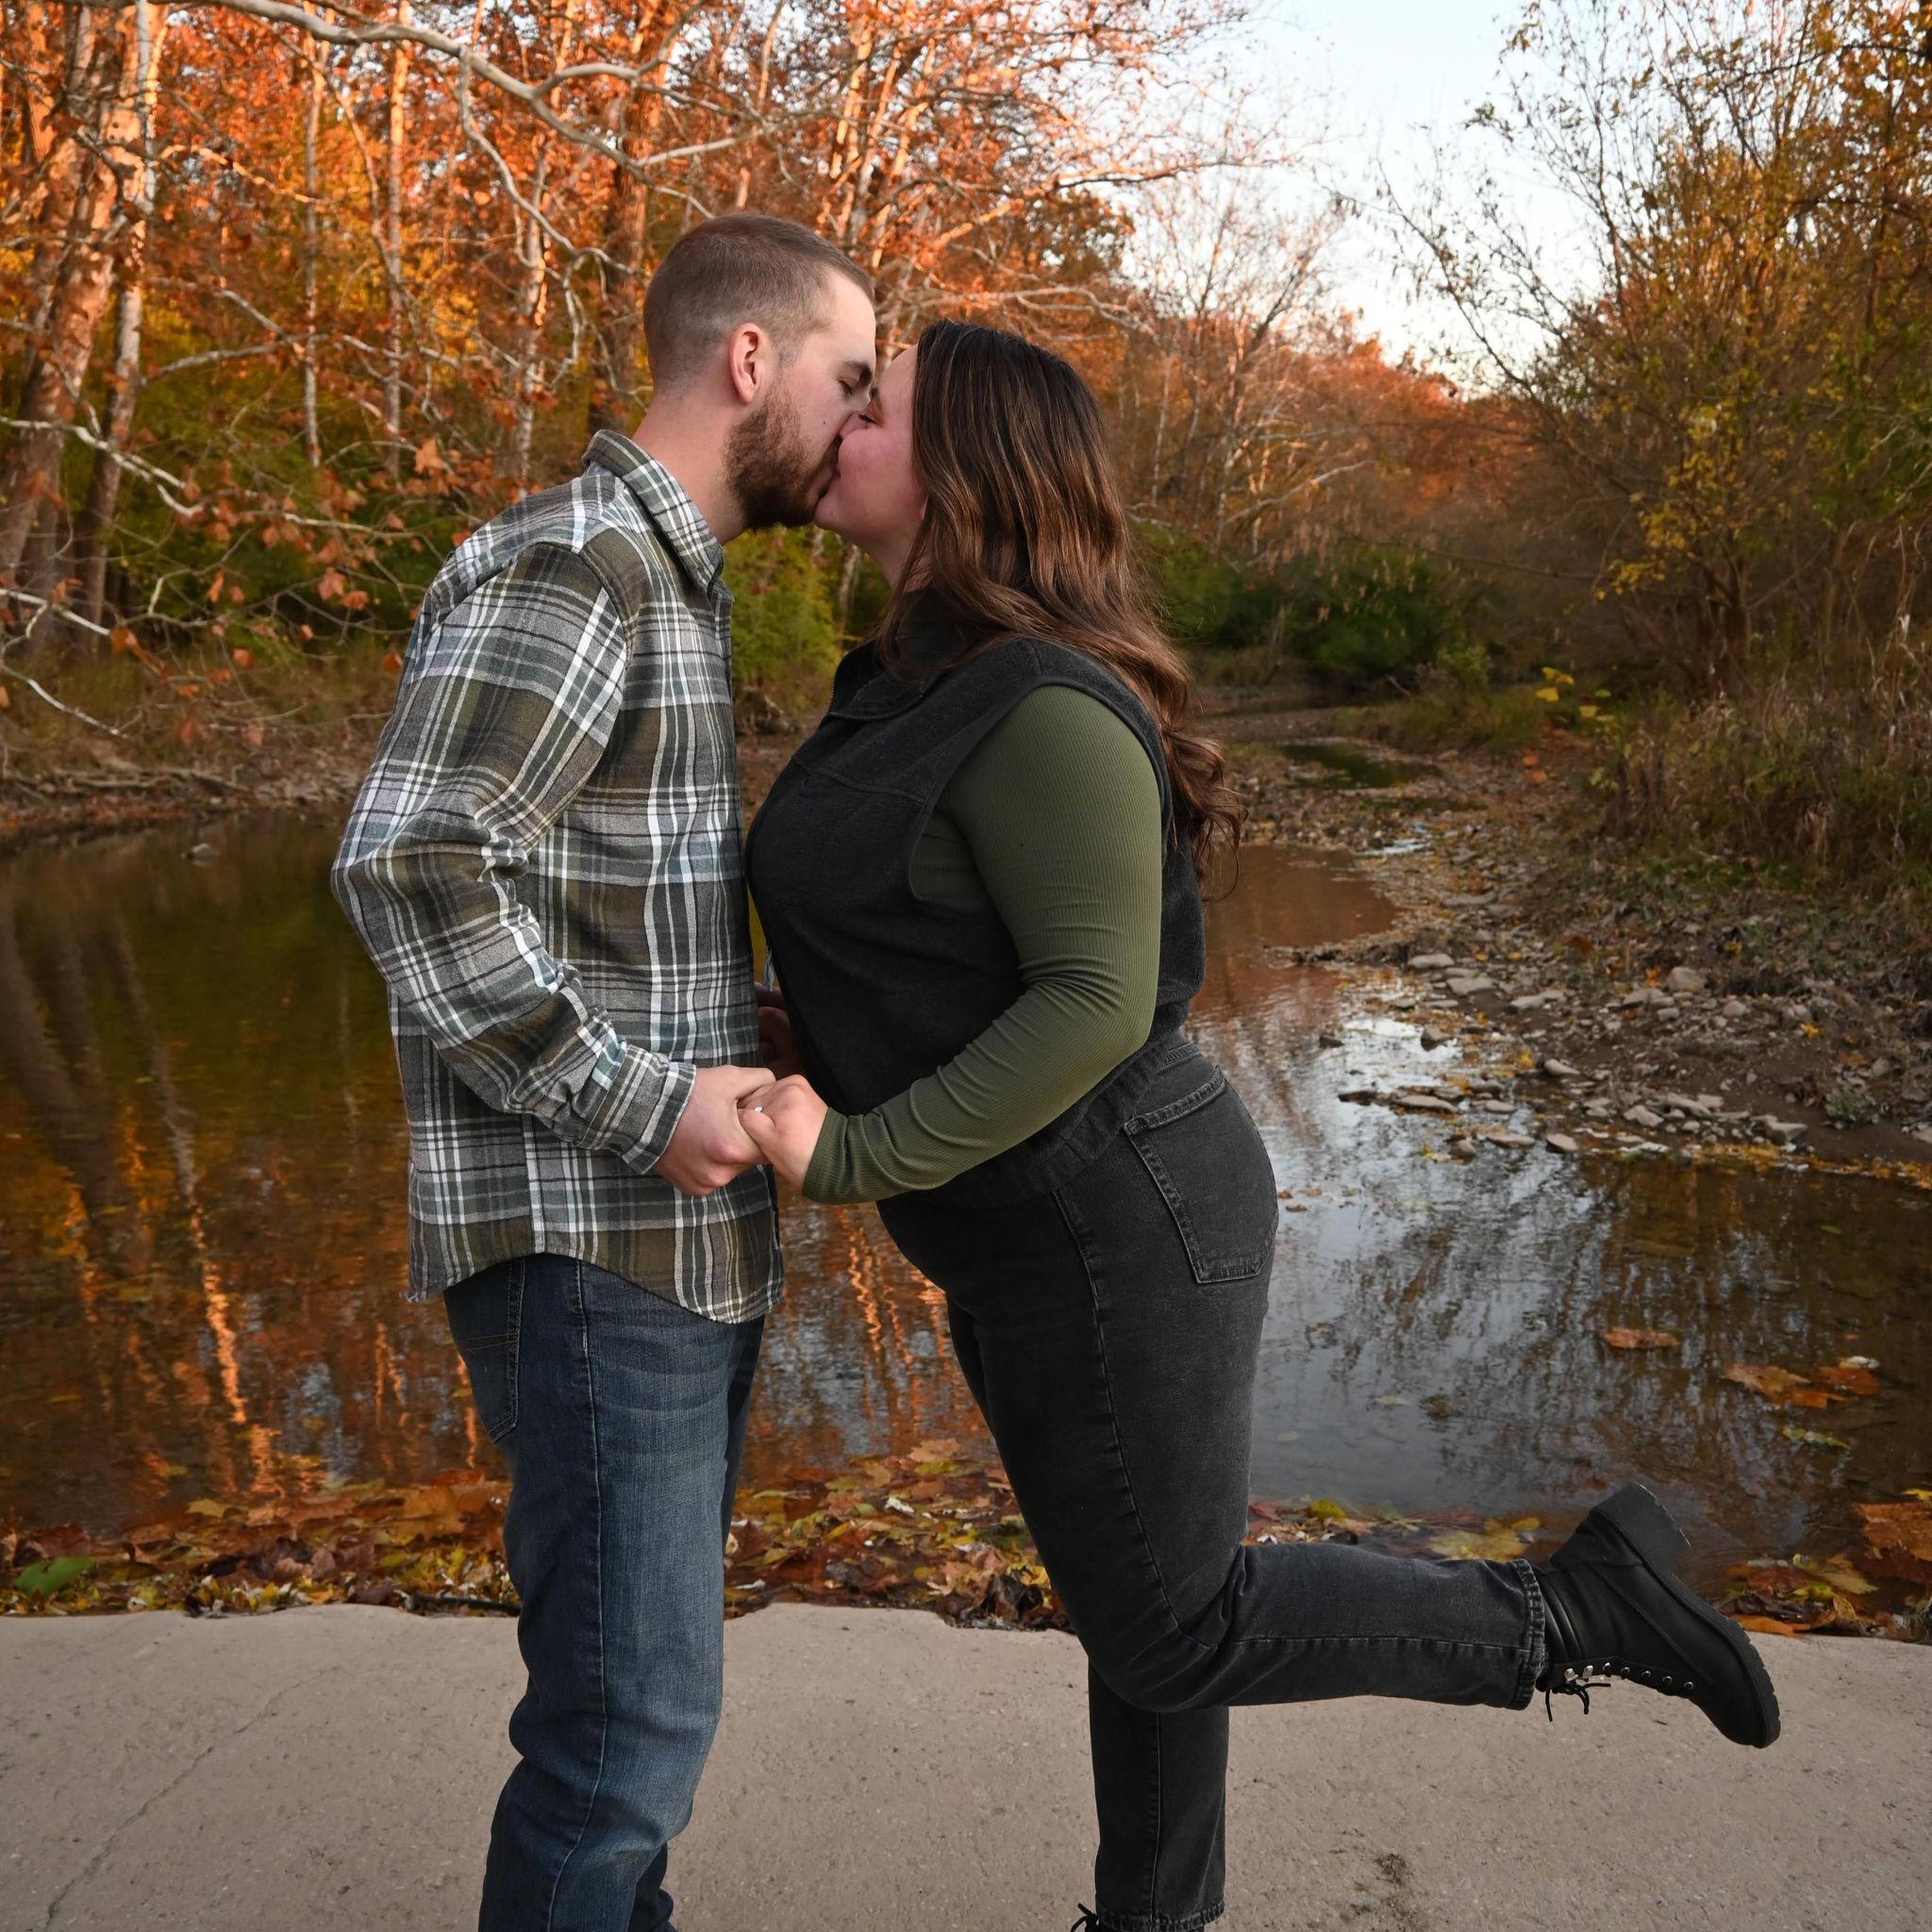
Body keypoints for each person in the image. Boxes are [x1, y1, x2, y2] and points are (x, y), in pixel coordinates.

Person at [735, 318, 1781, 1932]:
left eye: (884, 405)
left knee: (1175, 1622)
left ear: (968, 471)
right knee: (1138, 1598)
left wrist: (860, 1152)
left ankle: (1571, 1610)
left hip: (1123, 1213)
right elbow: (946, 943)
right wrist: (825, 1036)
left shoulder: (1042, 702)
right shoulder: (901, 681)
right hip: (1017, 1225)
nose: (846, 419)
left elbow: (1095, 1001)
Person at [330, 212, 875, 1932]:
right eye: (850, 378)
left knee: (631, 1729)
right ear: (748, 361)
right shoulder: (584, 565)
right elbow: (415, 862)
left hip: (658, 1250)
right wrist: (650, 1098)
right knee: (621, 1742)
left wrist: (743, 1028)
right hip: (593, 1249)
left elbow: (585, 896)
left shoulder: (670, 580)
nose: (861, 421)